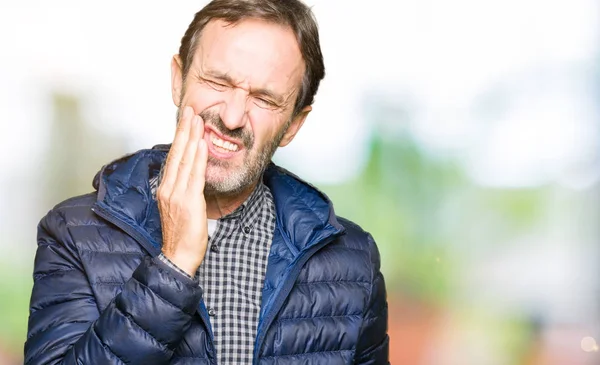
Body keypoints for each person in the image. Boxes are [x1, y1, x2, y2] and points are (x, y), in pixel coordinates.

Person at [24, 0, 389, 364]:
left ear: (293, 124)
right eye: (217, 81)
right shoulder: (73, 233)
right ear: (178, 80)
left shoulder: (354, 264)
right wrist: (174, 266)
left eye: (264, 98)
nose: (231, 117)